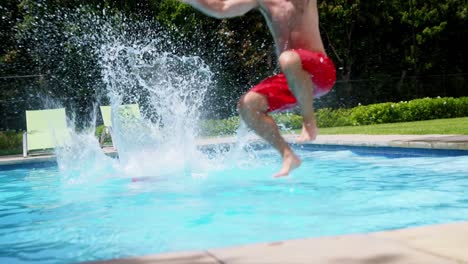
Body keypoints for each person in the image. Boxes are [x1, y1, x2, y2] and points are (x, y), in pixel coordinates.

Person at [181, 0, 336, 177]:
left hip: (321, 71)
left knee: (288, 58)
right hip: (293, 80)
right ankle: (288, 155)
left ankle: (308, 121)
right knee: (247, 105)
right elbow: (221, 8)